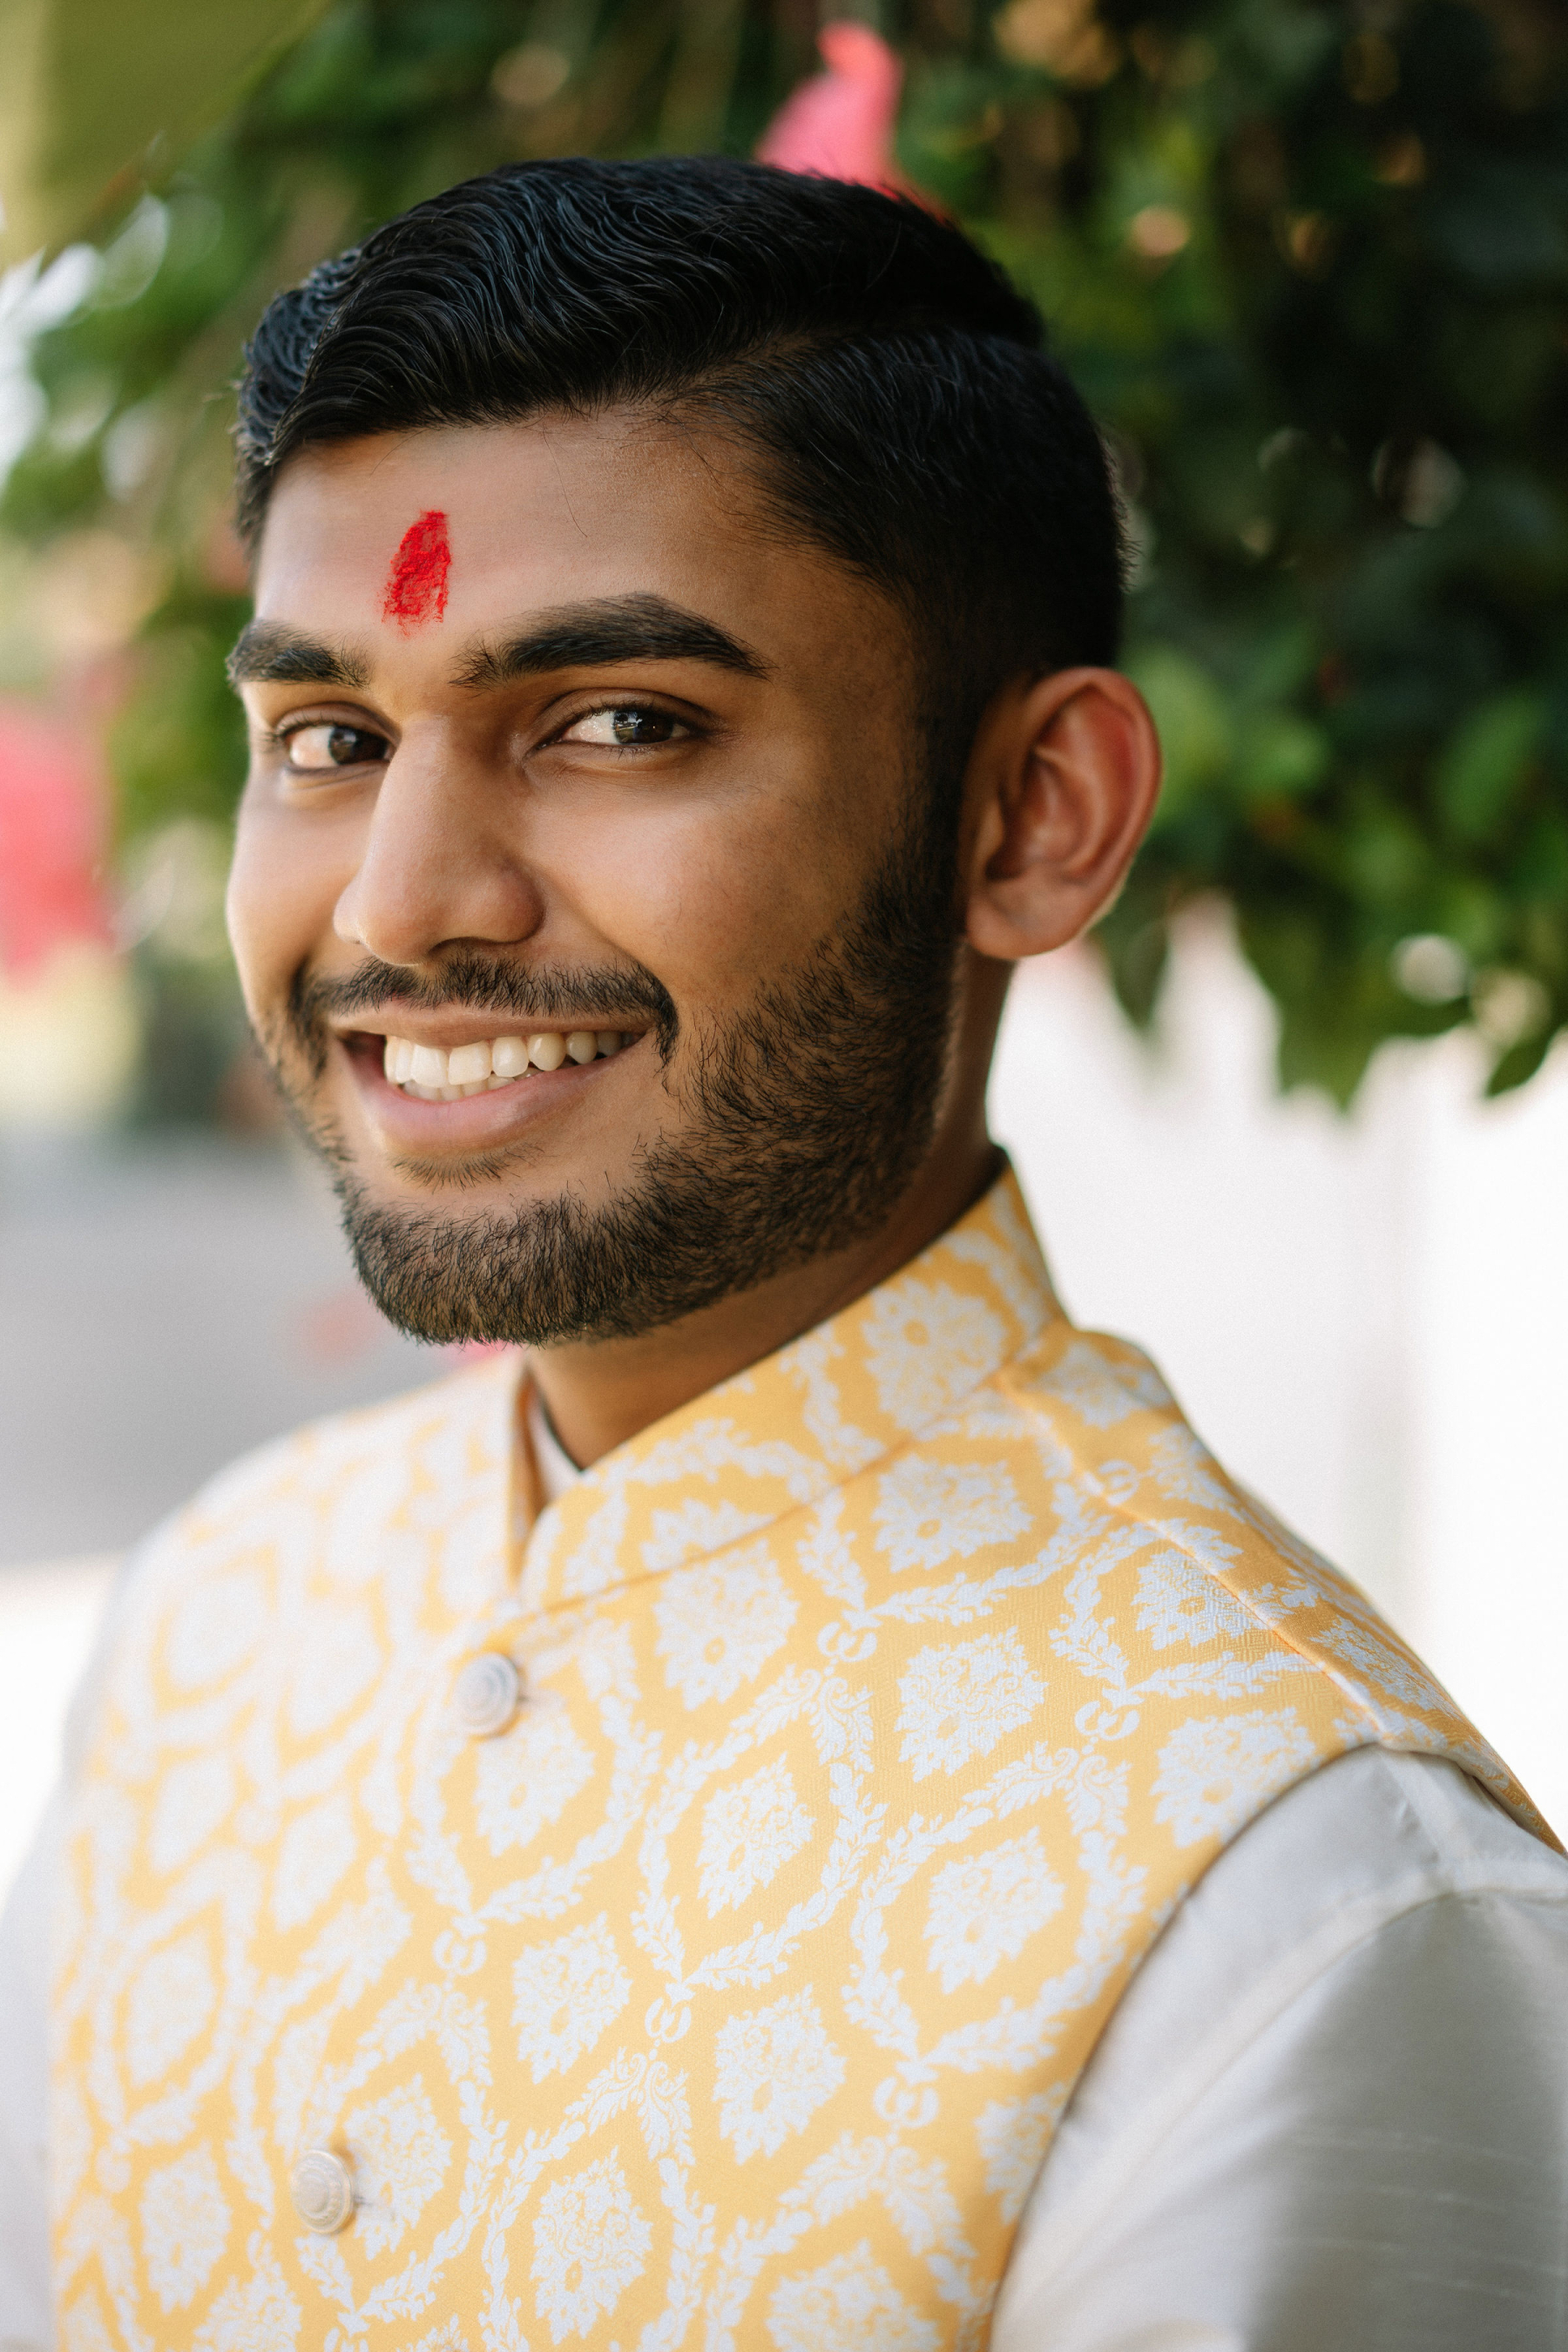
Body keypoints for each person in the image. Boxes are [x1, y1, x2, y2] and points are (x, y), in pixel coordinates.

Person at [3, 159, 1565, 2352]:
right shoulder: (210, 1637)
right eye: (330, 742)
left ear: (1032, 816)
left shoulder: (1284, 1898)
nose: (400, 903)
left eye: (620, 722)